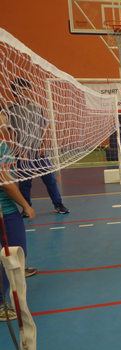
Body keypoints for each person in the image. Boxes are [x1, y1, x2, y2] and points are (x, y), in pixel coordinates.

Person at [7, 78, 69, 217]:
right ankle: (26, 207)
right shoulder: (10, 110)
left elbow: (44, 128)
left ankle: (58, 204)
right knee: (25, 184)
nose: (27, 92)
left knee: (50, 180)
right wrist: (20, 151)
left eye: (28, 89)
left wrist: (44, 145)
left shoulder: (37, 107)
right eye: (24, 90)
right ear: (16, 91)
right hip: (23, 154)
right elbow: (11, 133)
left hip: (40, 152)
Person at [0, 105, 37, 322]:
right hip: (5, 210)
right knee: (15, 251)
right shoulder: (0, 147)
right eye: (3, 113)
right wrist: (27, 205)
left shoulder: (5, 144)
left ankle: (18, 271)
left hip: (5, 209)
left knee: (11, 253)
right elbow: (5, 183)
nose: (6, 116)